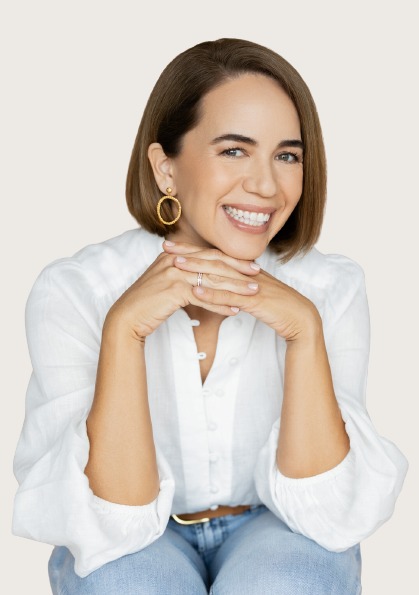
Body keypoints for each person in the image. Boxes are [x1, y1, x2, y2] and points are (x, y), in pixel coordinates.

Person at [12, 38, 408, 594]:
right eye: (234, 151)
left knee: (288, 583)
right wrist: (123, 332)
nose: (266, 186)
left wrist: (304, 331)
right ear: (165, 168)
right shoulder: (78, 290)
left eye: (287, 156)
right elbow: (113, 526)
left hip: (277, 525)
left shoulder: (328, 287)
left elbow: (329, 515)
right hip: (137, 535)